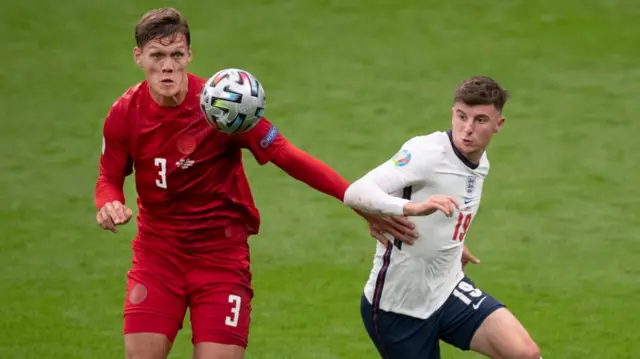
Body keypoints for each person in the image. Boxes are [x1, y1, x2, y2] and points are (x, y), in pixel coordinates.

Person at [94, 7, 416, 359]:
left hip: (221, 260)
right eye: (157, 55)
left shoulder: (223, 105)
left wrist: (358, 200)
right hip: (157, 258)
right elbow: (108, 178)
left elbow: (287, 156)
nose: (167, 66)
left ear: (189, 55)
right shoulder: (125, 113)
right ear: (138, 56)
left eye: (176, 55)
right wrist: (108, 202)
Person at [343, 76, 542, 359]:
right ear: (452, 113)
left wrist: (454, 241)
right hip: (397, 309)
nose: (468, 129)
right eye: (462, 117)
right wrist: (410, 208)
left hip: (448, 290)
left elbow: (452, 206)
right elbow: (356, 191)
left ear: (498, 124)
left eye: (480, 120)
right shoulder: (427, 153)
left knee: (525, 354)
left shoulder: (479, 162)